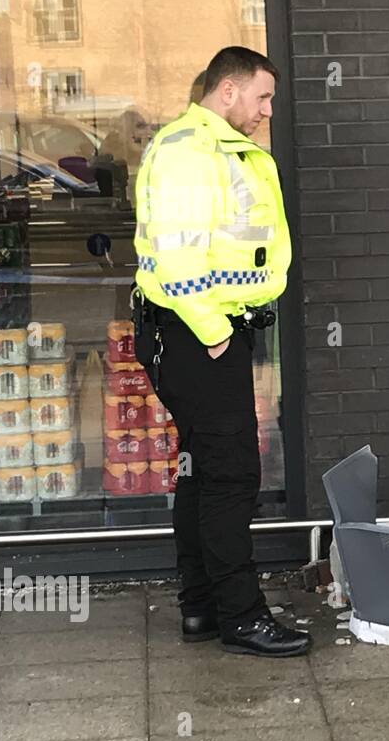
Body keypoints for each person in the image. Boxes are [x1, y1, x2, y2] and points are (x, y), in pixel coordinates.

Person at [131, 46, 308, 657]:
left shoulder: (214, 148)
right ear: (227, 90)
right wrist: (215, 331)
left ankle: (201, 607)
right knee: (233, 474)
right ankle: (243, 616)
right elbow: (178, 260)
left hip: (201, 331)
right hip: (196, 332)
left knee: (204, 471)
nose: (265, 112)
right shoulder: (189, 151)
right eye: (261, 98)